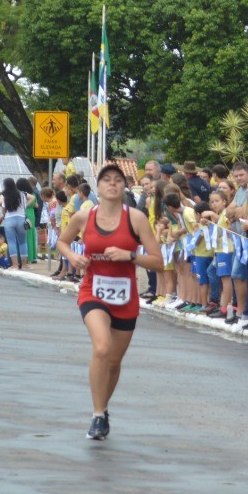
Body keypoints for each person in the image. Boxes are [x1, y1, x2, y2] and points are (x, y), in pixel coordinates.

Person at [57, 164, 164, 440]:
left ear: (124, 187)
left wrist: (130, 256)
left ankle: (104, 410)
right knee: (102, 348)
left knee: (114, 361)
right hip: (93, 289)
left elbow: (158, 262)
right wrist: (72, 256)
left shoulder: (137, 218)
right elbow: (62, 242)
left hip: (125, 295)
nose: (113, 185)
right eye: (107, 180)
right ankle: (96, 414)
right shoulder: (83, 217)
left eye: (118, 180)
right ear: (99, 187)